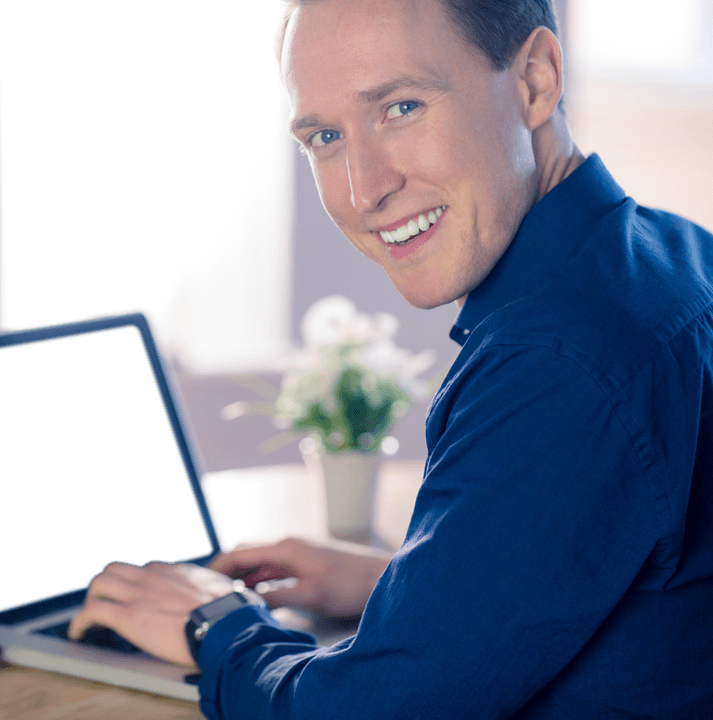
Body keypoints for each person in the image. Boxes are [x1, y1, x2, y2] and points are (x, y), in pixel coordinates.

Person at [68, 0, 713, 716]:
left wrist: (216, 623)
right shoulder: (680, 258)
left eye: (402, 108)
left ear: (535, 78)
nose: (364, 190)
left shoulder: (556, 359)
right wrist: (401, 583)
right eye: (325, 137)